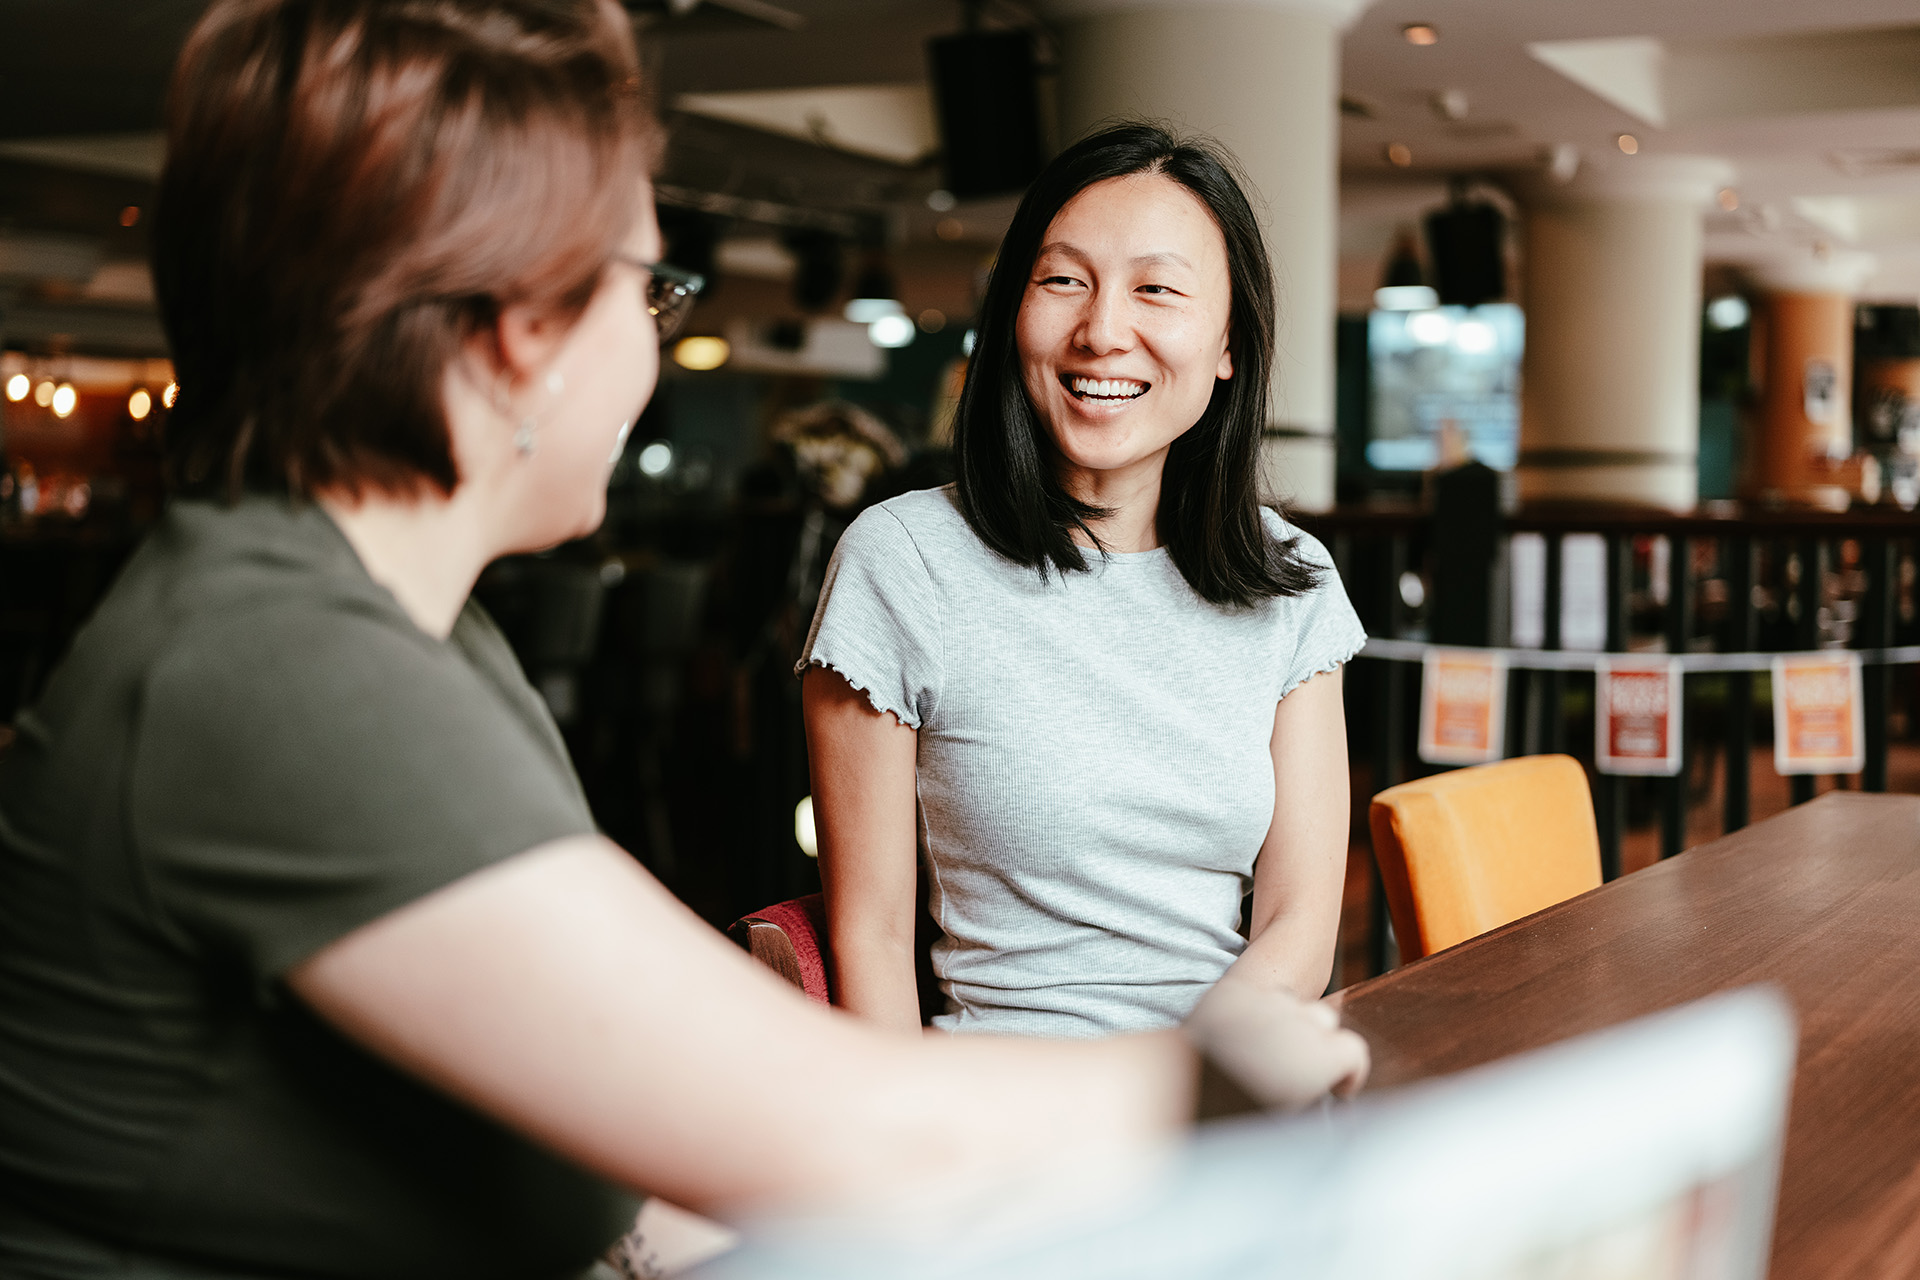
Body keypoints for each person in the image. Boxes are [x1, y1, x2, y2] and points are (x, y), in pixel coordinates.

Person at [0, 6, 1366, 1278]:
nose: (652, 352)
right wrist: (1214, 1076)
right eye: (643, 292)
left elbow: (611, 1147)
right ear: (506, 328)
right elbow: (836, 1129)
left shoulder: (402, 637)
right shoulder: (286, 676)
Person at [801, 124, 1367, 1037]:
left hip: (1220, 1097)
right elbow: (868, 936)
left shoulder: (1291, 584)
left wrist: (1187, 1101)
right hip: (1004, 1109)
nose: (1103, 331)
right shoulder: (903, 560)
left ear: (1230, 344)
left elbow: (1300, 926)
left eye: (1158, 290)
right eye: (1063, 280)